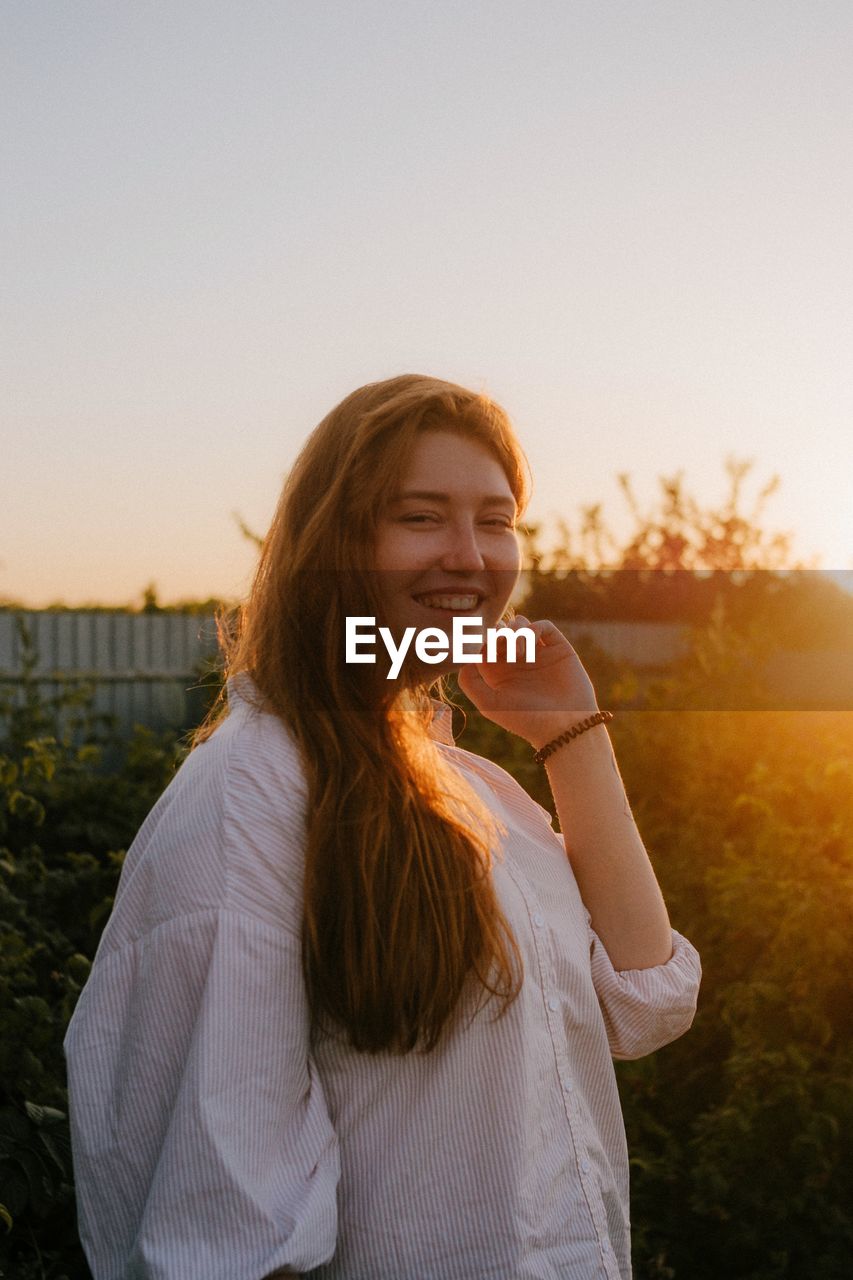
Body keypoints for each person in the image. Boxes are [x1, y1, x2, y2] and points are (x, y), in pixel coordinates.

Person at [64, 374, 701, 1280]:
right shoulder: (256, 790)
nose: (471, 556)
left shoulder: (467, 787)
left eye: (496, 520)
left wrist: (572, 735)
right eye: (419, 517)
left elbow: (645, 1000)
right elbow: (222, 1228)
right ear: (332, 544)